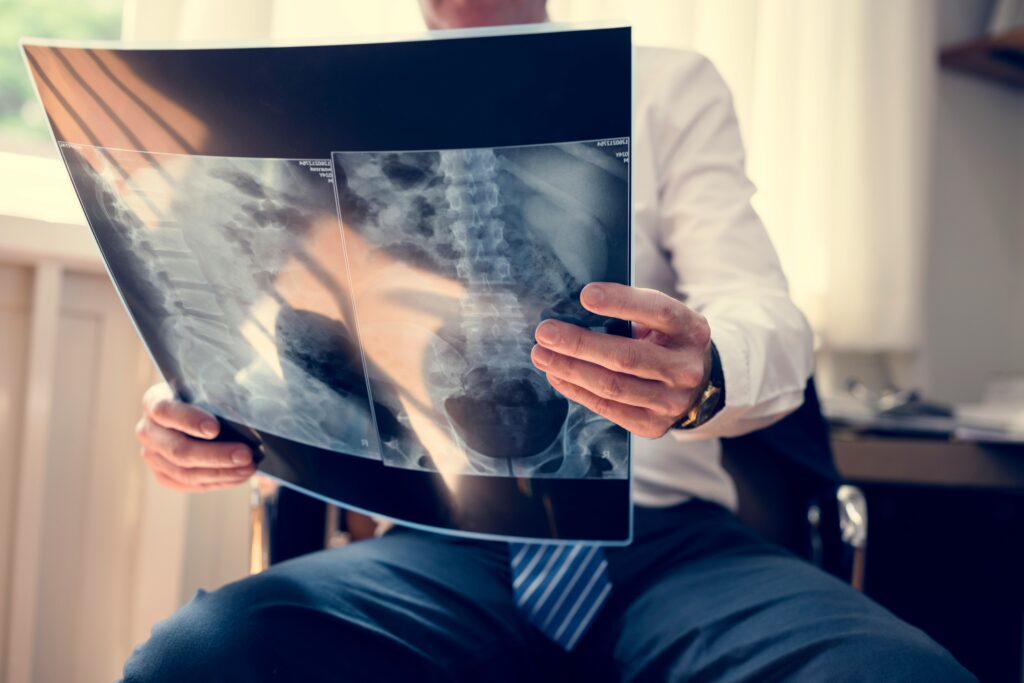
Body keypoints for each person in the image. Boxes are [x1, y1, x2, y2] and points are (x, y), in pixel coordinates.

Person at [122, 1, 975, 680]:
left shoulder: (666, 85)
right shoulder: (320, 108)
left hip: (668, 543)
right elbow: (294, 340)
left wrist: (707, 368)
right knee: (196, 658)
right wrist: (201, 406)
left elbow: (766, 311)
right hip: (439, 549)